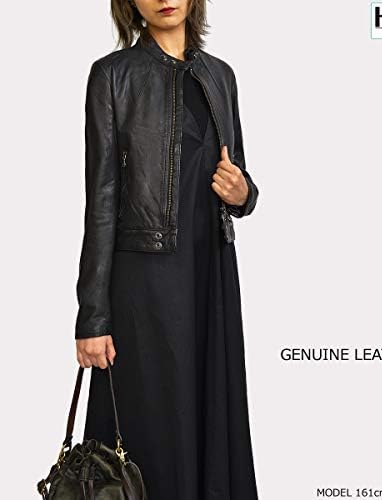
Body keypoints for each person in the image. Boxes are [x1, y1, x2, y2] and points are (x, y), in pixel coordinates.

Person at [74, 1, 260, 498]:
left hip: (211, 271)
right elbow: (101, 200)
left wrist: (243, 193)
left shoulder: (220, 76)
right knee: (152, 430)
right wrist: (93, 317)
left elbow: (238, 177)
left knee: (210, 416)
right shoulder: (113, 76)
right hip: (146, 283)